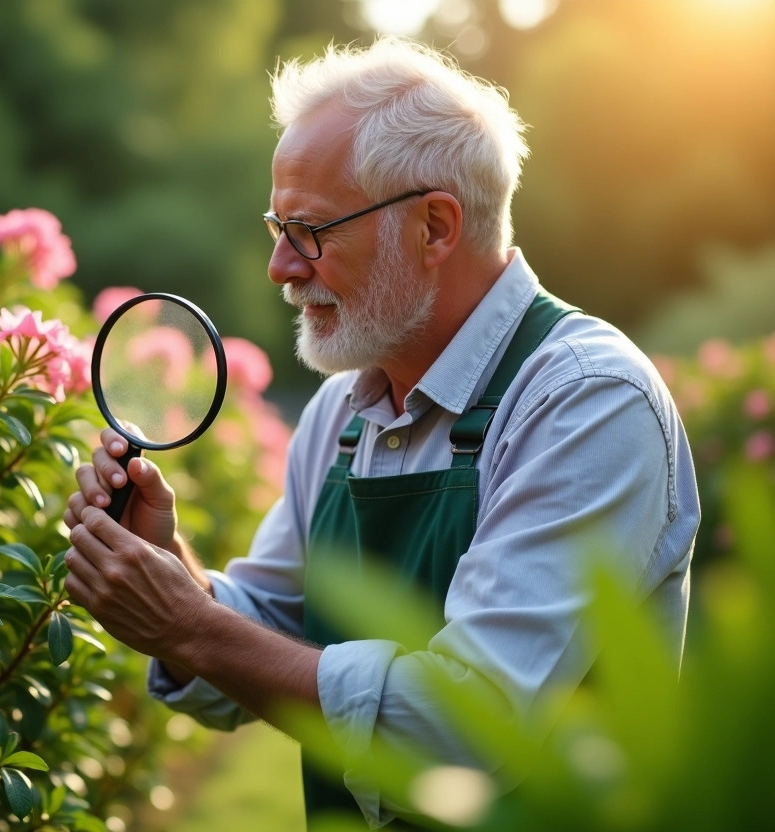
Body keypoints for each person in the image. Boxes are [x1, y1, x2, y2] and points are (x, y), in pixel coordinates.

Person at [62, 36, 698, 829]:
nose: (280, 268)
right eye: (276, 226)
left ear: (434, 227)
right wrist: (173, 571)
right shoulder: (339, 415)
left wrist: (188, 626)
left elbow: (467, 727)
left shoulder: (585, 400)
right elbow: (265, 636)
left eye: (310, 230)